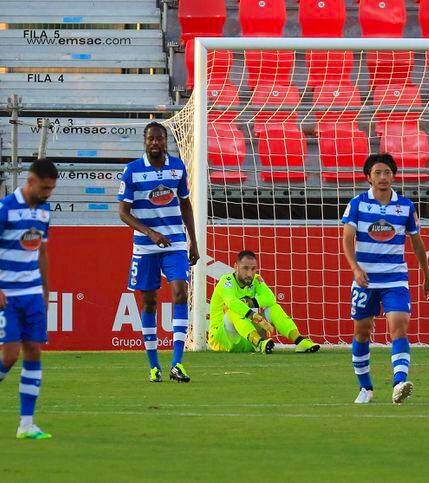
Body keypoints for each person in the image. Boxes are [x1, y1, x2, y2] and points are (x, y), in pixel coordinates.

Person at [0, 158, 58, 439]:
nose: (47, 193)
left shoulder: (43, 212)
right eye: (44, 187)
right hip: (6, 294)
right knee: (10, 354)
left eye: (51, 189)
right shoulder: (4, 209)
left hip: (31, 292)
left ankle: (26, 424)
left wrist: (46, 291)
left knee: (33, 351)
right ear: (30, 181)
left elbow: (41, 252)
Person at [341, 153, 429, 405]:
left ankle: (399, 383)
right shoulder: (357, 204)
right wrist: (356, 269)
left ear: (393, 176)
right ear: (368, 177)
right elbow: (347, 240)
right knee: (361, 332)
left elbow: (417, 243)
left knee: (399, 326)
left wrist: (426, 275)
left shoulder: (405, 206)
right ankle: (365, 388)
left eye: (387, 173)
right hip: (365, 280)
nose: (383, 177)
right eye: (378, 173)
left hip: (395, 278)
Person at [118, 122, 199, 383]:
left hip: (174, 242)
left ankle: (177, 362)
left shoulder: (177, 167)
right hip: (145, 246)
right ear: (145, 141)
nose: (155, 143)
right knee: (149, 301)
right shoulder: (132, 171)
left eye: (159, 139)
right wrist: (150, 233)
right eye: (151, 139)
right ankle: (154, 365)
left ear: (166, 141)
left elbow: (185, 204)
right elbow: (122, 212)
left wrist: (193, 242)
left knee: (180, 293)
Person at [207, 251, 320, 353]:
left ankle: (300, 341)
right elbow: (231, 302)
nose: (250, 274)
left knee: (273, 307)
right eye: (245, 268)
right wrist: (255, 317)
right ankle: (260, 343)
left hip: (246, 338)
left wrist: (251, 303)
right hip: (221, 339)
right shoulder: (226, 282)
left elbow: (270, 298)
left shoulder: (256, 280)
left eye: (253, 269)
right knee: (233, 311)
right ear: (236, 267)